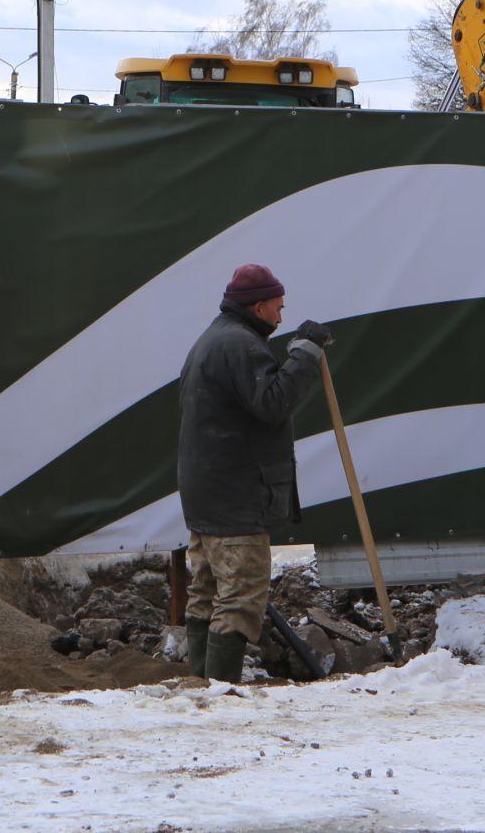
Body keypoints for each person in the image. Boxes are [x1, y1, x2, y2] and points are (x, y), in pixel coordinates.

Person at [176, 263, 332, 681]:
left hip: (208, 491)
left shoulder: (212, 340)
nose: (281, 318)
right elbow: (273, 402)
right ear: (258, 306)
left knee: (206, 592)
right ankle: (219, 693)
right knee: (240, 597)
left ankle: (200, 686)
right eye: (277, 308)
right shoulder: (241, 346)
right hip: (235, 497)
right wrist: (305, 353)